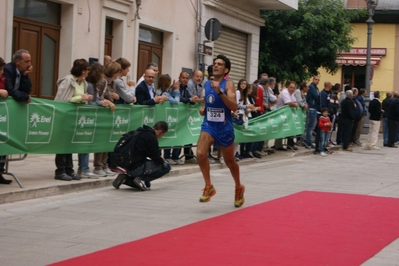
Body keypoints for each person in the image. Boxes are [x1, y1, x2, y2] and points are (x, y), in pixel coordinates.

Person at [196, 54, 245, 208]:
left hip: (224, 127)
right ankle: (209, 186)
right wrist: (203, 109)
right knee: (200, 153)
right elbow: (208, 102)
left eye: (220, 64)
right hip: (209, 125)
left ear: (226, 69)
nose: (216, 65)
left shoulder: (228, 84)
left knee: (229, 162)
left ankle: (238, 187)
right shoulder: (207, 84)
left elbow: (234, 106)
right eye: (215, 63)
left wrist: (220, 92)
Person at [54, 59, 93, 181]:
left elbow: (78, 98)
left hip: (75, 116)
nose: (88, 72)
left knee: (70, 143)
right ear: (82, 70)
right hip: (65, 115)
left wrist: (83, 98)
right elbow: (62, 99)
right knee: (62, 143)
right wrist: (81, 97)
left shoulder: (84, 83)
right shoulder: (68, 81)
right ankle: (60, 170)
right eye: (87, 70)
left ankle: (69, 169)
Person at [112, 121, 171, 191]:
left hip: (126, 166)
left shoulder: (138, 132)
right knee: (166, 167)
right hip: (137, 168)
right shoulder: (151, 138)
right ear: (160, 131)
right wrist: (162, 160)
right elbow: (156, 159)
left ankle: (128, 178)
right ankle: (134, 179)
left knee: (147, 183)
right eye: (163, 134)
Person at [93, 61, 121, 176]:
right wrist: (109, 99)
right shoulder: (103, 82)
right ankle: (98, 166)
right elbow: (98, 96)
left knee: (108, 140)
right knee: (101, 140)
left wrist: (116, 97)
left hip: (110, 113)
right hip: (102, 113)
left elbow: (112, 96)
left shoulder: (113, 83)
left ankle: (105, 164)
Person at [0, 57, 11, 184]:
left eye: (2, 69)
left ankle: (0, 171)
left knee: (3, 145)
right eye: (0, 69)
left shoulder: (3, 79)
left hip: (2, 118)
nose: (2, 72)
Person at [305, 76, 321, 149]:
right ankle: (308, 142)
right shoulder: (311, 87)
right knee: (310, 126)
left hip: (314, 108)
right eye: (316, 79)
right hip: (311, 108)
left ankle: (309, 141)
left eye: (318, 80)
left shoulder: (316, 88)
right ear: (313, 79)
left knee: (312, 125)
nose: (317, 81)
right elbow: (317, 96)